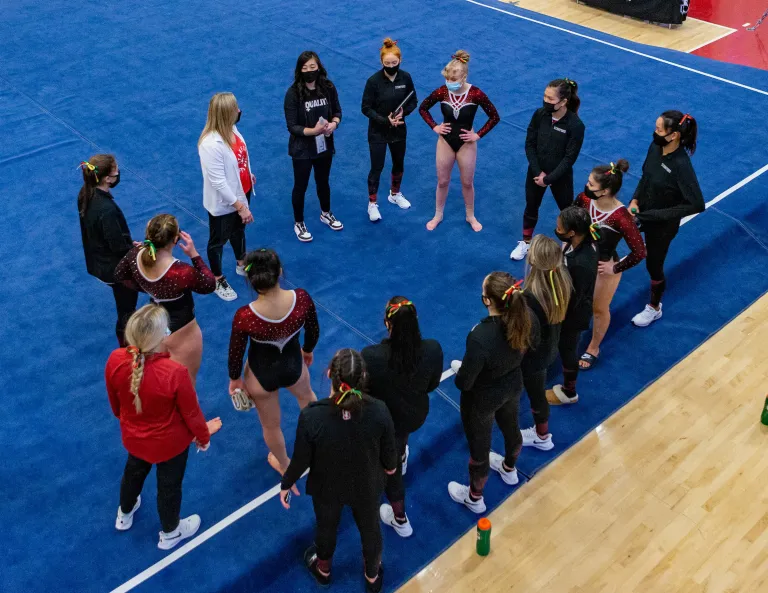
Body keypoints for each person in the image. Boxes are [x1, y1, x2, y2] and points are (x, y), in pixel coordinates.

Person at [280, 348, 397, 593]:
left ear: (329, 373)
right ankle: (372, 577)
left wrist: (286, 482)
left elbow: (301, 460)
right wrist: (387, 469)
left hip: (327, 487)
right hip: (365, 485)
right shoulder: (380, 410)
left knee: (326, 527)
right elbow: (390, 461)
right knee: (370, 529)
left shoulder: (312, 416)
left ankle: (323, 571)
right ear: (364, 376)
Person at [106, 304, 222, 550]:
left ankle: (124, 514)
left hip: (134, 439)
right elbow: (191, 412)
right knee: (169, 487)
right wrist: (203, 437)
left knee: (133, 473)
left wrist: (130, 423)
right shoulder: (174, 372)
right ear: (163, 336)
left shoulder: (115, 359)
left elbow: (115, 405)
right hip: (171, 445)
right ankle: (171, 532)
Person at [448, 272, 538, 513]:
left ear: (487, 300)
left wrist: (464, 373)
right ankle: (509, 469)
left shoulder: (480, 336)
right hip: (511, 385)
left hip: (482, 400)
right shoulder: (526, 317)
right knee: (511, 427)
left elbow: (465, 383)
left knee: (480, 449)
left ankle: (474, 498)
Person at [228, 248, 319, 476]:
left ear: (250, 279)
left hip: (261, 375)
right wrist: (307, 350)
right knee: (308, 400)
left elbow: (236, 353)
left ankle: (285, 465)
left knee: (270, 425)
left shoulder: (245, 316)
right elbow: (313, 331)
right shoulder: (301, 299)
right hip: (294, 367)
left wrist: (235, 379)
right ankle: (319, 446)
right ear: (279, 272)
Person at [361, 297, 443, 536]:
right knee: (399, 443)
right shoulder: (432, 349)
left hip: (386, 422)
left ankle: (400, 519)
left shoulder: (371, 356)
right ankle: (401, 453)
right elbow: (432, 384)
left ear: (388, 323)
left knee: (391, 470)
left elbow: (365, 395)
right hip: (415, 413)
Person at [114, 214, 216, 385]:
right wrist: (195, 255)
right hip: (182, 331)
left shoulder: (134, 255)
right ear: (175, 239)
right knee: (186, 383)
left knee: (161, 380)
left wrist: (145, 286)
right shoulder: (181, 272)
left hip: (155, 326)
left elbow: (119, 275)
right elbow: (209, 284)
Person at [629, 111, 705, 327]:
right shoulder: (654, 148)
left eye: (659, 130)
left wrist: (659, 215)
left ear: (673, 136)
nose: (655, 133)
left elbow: (697, 204)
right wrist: (635, 200)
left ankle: (654, 307)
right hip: (641, 211)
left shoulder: (681, 166)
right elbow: (646, 177)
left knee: (653, 265)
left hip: (662, 225)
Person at [573, 160, 646, 370]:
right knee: (574, 298)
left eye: (591, 184)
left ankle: (593, 347)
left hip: (603, 266)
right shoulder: (585, 199)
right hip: (580, 257)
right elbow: (571, 218)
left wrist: (615, 268)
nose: (586, 186)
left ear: (604, 191)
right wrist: (566, 245)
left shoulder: (621, 218)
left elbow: (639, 252)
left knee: (598, 308)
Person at [418, 50, 500, 232]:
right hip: (445, 141)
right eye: (447, 79)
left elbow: (494, 117)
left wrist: (477, 135)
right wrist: (435, 127)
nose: (449, 83)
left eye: (453, 80)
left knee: (467, 182)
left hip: (467, 143)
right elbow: (423, 108)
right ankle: (438, 214)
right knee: (442, 181)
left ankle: (470, 215)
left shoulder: (476, 94)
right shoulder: (442, 91)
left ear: (464, 77)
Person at [510, 79, 585, 261]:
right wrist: (538, 172)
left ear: (563, 101)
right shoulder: (539, 115)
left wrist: (549, 179)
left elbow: (569, 159)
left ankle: (568, 248)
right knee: (531, 207)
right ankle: (526, 242)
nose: (545, 101)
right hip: (536, 173)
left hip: (560, 177)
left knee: (567, 212)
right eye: (544, 96)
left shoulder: (575, 125)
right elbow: (529, 144)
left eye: (550, 98)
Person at [198, 92, 255, 301]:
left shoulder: (232, 129)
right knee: (218, 240)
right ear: (225, 114)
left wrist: (248, 173)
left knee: (239, 229)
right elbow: (218, 182)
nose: (239, 111)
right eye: (235, 109)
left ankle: (241, 262)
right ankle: (217, 278)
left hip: (244, 190)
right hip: (226, 202)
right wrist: (240, 206)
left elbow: (239, 157)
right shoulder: (210, 144)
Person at [78, 154, 138, 346]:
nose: (118, 173)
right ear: (106, 178)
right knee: (126, 310)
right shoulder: (107, 210)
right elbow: (118, 247)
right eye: (115, 170)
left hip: (97, 259)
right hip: (114, 269)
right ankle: (127, 348)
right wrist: (136, 250)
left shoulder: (85, 193)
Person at [284, 51, 344, 242]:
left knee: (323, 181)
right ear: (299, 70)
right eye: (305, 68)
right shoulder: (293, 94)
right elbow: (292, 126)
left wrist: (333, 125)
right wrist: (314, 130)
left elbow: (337, 111)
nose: (310, 71)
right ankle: (298, 222)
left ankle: (326, 212)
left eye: (313, 67)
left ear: (319, 67)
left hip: (324, 145)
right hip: (302, 149)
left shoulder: (328, 87)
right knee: (300, 186)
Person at [520, 235, 572, 450]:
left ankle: (542, 437)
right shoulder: (562, 281)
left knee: (535, 393)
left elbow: (523, 337)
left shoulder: (530, 298)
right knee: (536, 389)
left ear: (532, 263)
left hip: (533, 356)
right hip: (549, 348)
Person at [361, 38, 418, 222]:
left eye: (395, 63)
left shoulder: (406, 78)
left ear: (400, 61)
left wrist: (403, 113)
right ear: (381, 62)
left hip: (398, 130)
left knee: (398, 164)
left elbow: (413, 101)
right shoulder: (373, 81)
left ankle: (395, 194)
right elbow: (366, 108)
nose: (391, 66)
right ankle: (372, 204)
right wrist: (384, 120)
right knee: (377, 167)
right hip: (377, 131)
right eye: (387, 63)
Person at [546, 207, 597, 404]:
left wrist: (557, 313)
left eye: (559, 228)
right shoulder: (580, 243)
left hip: (572, 314)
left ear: (572, 232)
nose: (556, 230)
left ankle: (569, 391)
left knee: (568, 350)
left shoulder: (581, 264)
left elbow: (575, 296)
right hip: (567, 305)